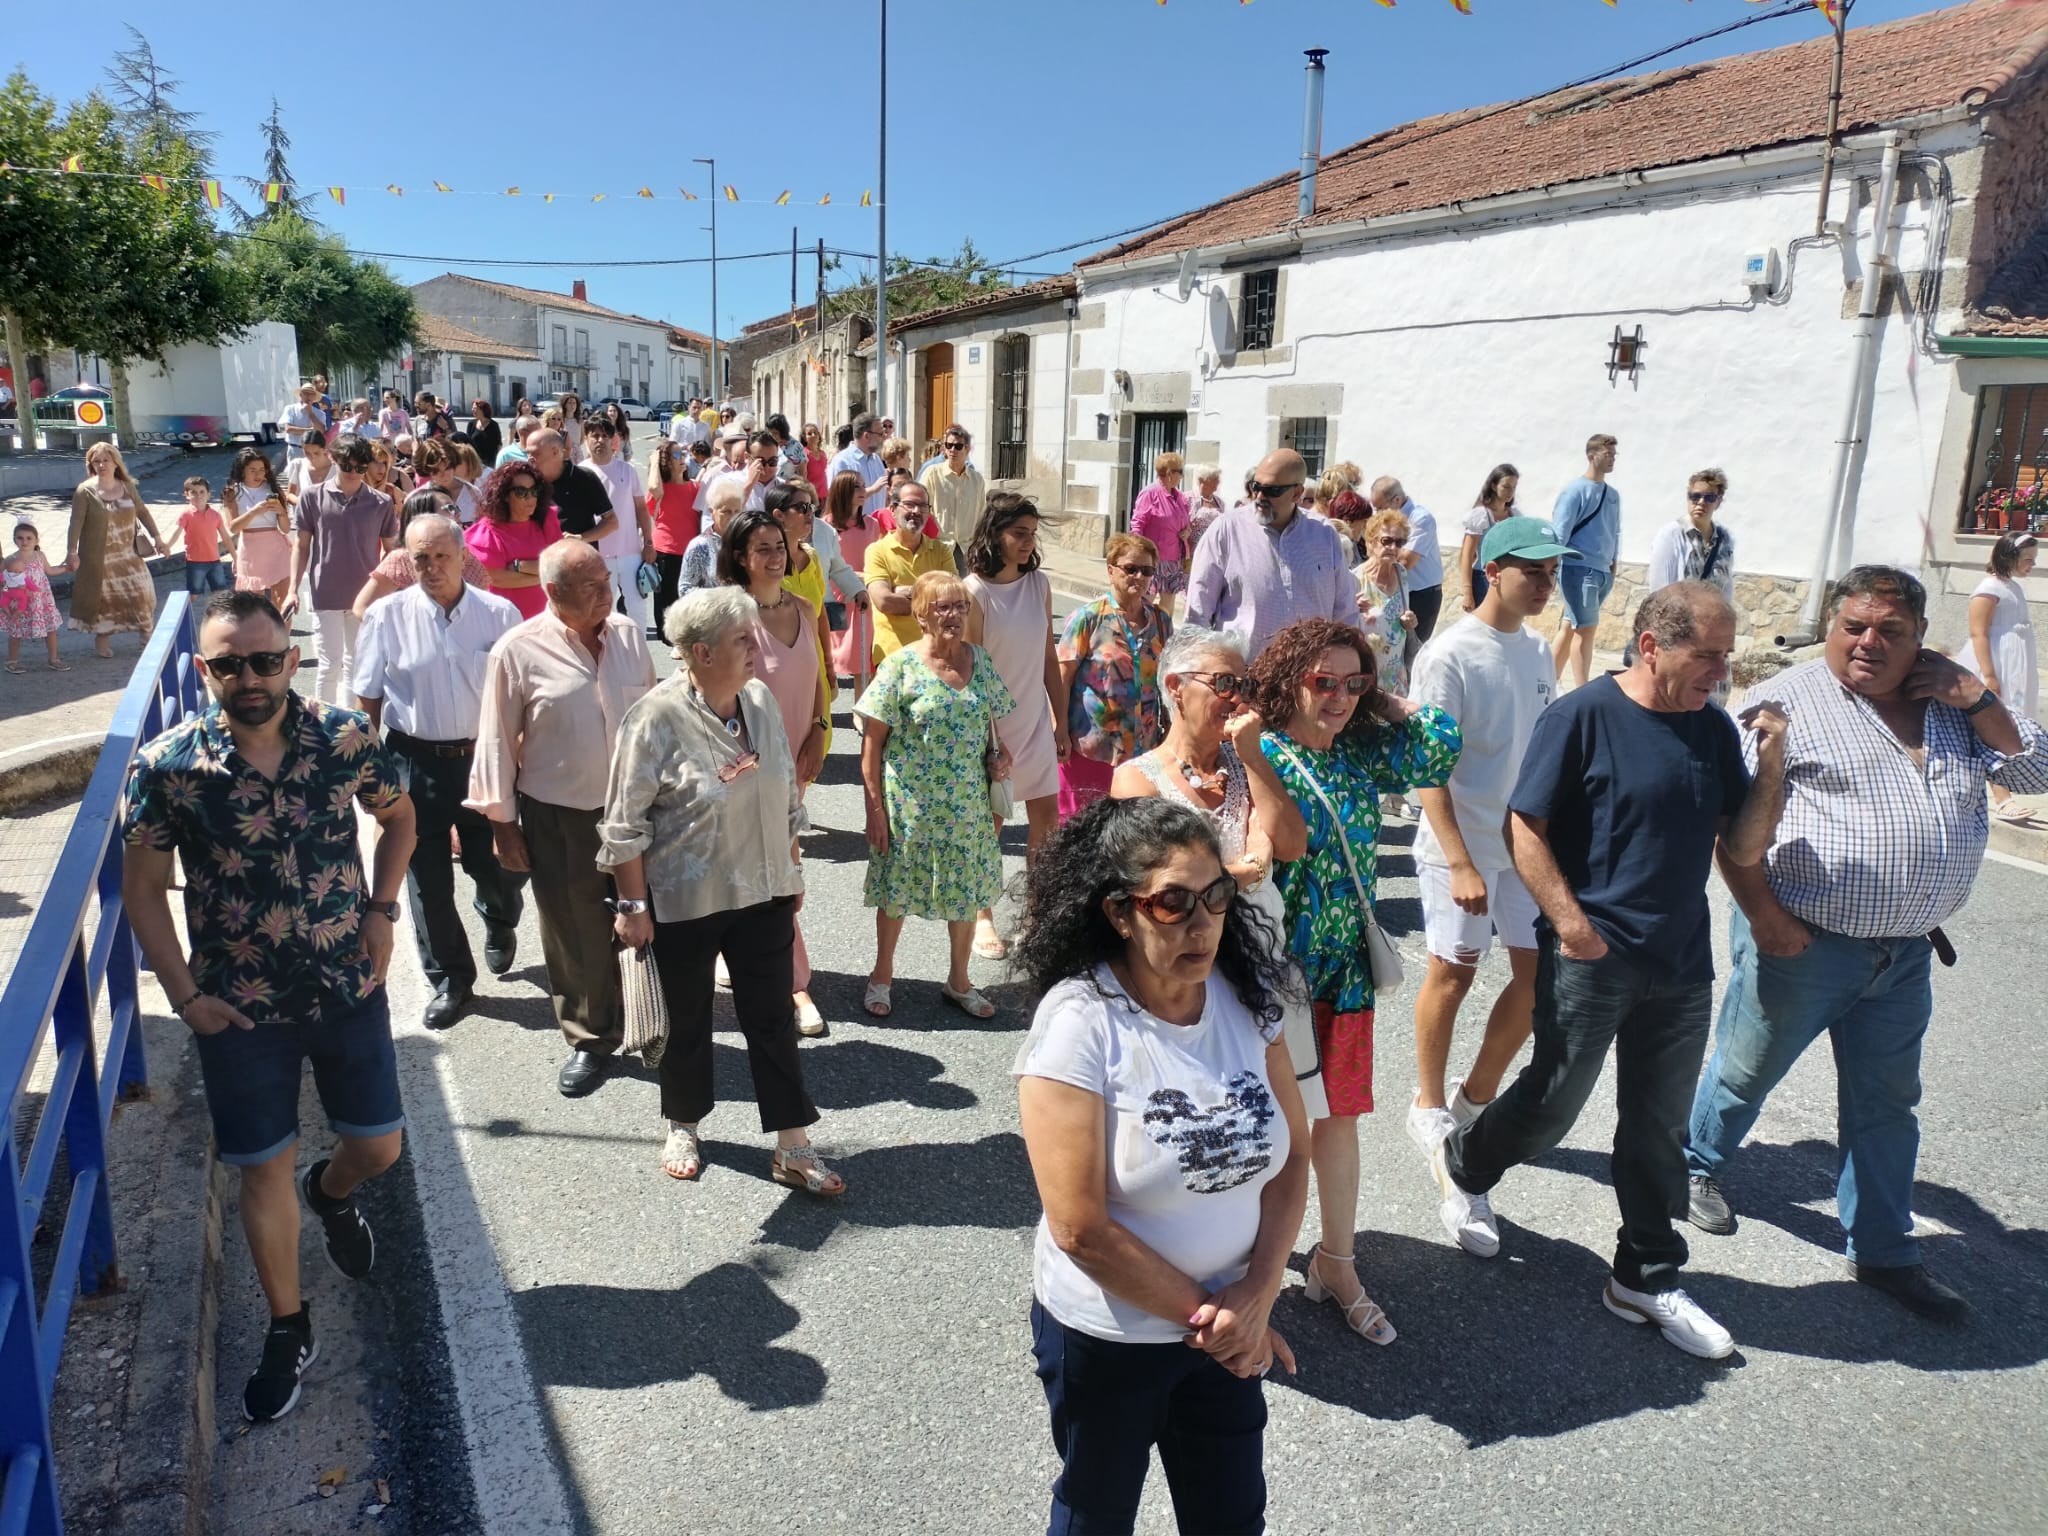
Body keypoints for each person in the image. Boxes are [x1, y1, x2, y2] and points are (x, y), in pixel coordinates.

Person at [1433, 582, 1787, 1360]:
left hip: (1682, 961)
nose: (1720, 674)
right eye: (1708, 656)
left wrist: (1771, 767)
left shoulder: (1709, 730)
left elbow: (1743, 843)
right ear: (1653, 645)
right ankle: (1465, 1159)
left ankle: (1646, 1275)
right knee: (1554, 1102)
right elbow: (1524, 824)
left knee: (1659, 1125)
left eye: (1727, 658)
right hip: (1593, 953)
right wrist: (1570, 926)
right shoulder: (1584, 715)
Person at [1684, 565, 2048, 1323]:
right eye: (1855, 626)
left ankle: (1884, 1250)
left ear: (1921, 638)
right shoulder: (1784, 700)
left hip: (1905, 951)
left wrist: (1976, 698)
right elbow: (1732, 828)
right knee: (1748, 1068)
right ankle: (1697, 1166)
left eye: (1892, 631)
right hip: (1802, 941)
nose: (1869, 644)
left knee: (1887, 1104)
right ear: (1832, 625)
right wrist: (1762, 918)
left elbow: (2034, 767)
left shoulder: (1947, 699)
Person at [122, 589, 417, 1423]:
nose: (248, 677)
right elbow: (142, 890)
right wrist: (185, 1001)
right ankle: (290, 1326)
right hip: (239, 1008)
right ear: (203, 668)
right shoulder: (169, 766)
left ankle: (333, 1193)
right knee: (261, 1168)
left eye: (263, 659)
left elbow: (400, 819)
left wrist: (382, 910)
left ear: (292, 656)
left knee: (379, 1147)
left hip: (345, 986)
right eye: (227, 664)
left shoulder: (346, 738)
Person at [1011, 797, 1311, 1536]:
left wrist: (1260, 1291)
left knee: (1232, 1520)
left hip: (1227, 1325)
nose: (1202, 921)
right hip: (1109, 1340)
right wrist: (1217, 1322)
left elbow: (1295, 1153)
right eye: (1172, 903)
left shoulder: (1248, 1001)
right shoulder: (1079, 1023)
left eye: (1215, 896)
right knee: (1096, 1516)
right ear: (1120, 913)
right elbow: (1079, 1227)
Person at [1251, 618, 1461, 1346]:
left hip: (1343, 976)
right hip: (1272, 978)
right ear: (1288, 681)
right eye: (1323, 682)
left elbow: (1440, 745)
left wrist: (1385, 701)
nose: (1339, 697)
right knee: (1271, 1126)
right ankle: (1249, 1271)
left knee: (1339, 1119)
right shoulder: (1258, 751)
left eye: (1353, 683)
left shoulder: (1358, 753)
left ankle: (1336, 1262)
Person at [600, 587, 845, 1197]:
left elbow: (783, 788)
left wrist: (790, 867)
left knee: (772, 1018)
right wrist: (632, 907)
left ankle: (793, 1144)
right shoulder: (654, 717)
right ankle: (683, 1123)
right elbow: (624, 821)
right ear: (702, 653)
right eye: (743, 639)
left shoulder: (757, 700)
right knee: (686, 1019)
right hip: (685, 898)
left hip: (762, 890)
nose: (756, 649)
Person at [469, 539, 656, 1095]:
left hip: (636, 808)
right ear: (553, 593)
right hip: (560, 814)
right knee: (574, 931)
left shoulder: (626, 635)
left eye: (606, 580)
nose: (608, 592)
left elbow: (653, 716)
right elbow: (497, 742)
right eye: (592, 586)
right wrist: (503, 826)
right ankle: (589, 1036)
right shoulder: (517, 650)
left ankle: (646, 1018)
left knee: (645, 918)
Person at [1405, 518, 1567, 1162]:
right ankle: (1428, 1101)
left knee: (1538, 980)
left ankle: (1475, 1099)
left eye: (1552, 573)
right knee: (1453, 974)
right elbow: (1428, 767)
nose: (1545, 585)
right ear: (1492, 571)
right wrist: (1460, 860)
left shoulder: (1535, 651)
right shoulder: (1449, 653)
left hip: (1524, 849)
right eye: (1534, 571)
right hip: (1461, 849)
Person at [352, 515, 524, 1030]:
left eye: (441, 556)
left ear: (462, 556)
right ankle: (451, 980)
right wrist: (369, 769)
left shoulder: (499, 614)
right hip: (412, 760)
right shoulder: (386, 617)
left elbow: (522, 694)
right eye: (420, 558)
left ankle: (499, 915)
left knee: (498, 868)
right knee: (424, 879)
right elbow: (368, 697)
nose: (431, 568)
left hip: (482, 760)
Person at [858, 570, 1016, 1020]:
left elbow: (995, 733)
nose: (954, 616)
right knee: (897, 889)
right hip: (909, 803)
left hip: (966, 803)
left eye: (961, 607)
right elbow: (871, 747)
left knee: (966, 891)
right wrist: (875, 811)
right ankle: (882, 974)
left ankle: (958, 981)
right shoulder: (900, 666)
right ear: (922, 615)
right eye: (943, 607)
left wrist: (1001, 759)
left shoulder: (980, 661)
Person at [1110, 624, 1308, 921]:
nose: (1237, 699)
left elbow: (1292, 845)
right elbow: (1171, 893)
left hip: (1262, 942)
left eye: (1244, 687)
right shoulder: (1138, 780)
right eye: (1225, 683)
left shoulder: (1247, 760)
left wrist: (1253, 757)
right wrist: (1251, 868)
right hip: (1192, 950)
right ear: (1176, 686)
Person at [722, 505, 831, 1038]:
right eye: (761, 548)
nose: (774, 556)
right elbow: (709, 698)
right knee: (778, 872)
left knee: (776, 870)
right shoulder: (728, 617)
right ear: (740, 558)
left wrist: (818, 730)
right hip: (747, 768)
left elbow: (821, 680)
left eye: (778, 546)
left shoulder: (807, 609)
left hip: (798, 759)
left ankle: (753, 956)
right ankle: (795, 984)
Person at [964, 493, 1070, 958]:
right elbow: (971, 670)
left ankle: (1035, 911)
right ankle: (982, 915)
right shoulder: (975, 592)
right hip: (992, 726)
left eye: (1031, 534)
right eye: (1018, 533)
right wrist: (988, 738)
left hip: (1034, 719)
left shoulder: (1039, 585)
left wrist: (1061, 720)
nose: (1028, 543)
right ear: (995, 534)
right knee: (991, 822)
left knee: (1047, 816)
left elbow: (1049, 655)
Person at [1186, 449, 1359, 657]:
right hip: (1246, 677)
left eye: (1271, 491)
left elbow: (1345, 612)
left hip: (1310, 677)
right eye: (1255, 486)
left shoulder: (1324, 535)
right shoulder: (1226, 531)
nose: (1259, 496)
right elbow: (1198, 612)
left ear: (1297, 493)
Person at [1058, 533, 1174, 820]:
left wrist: (1171, 732)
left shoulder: (1161, 622)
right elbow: (1062, 676)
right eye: (1130, 568)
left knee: (1131, 837)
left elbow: (1169, 681)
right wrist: (1058, 728)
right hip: (1092, 747)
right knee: (1084, 833)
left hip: (1144, 749)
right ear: (1111, 570)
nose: (1139, 576)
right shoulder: (1089, 618)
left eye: (1147, 571)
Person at [285, 436, 398, 706]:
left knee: (355, 663)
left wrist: (390, 591)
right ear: (333, 458)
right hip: (326, 591)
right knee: (329, 663)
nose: (354, 473)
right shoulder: (312, 496)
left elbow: (391, 551)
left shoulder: (381, 502)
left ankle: (346, 723)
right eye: (348, 465)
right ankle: (321, 721)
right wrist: (292, 590)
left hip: (365, 596)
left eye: (361, 468)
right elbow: (301, 546)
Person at [1958, 532, 2039, 822]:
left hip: (2013, 664)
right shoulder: (1988, 588)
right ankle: (2003, 799)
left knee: (2008, 723)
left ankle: (2000, 792)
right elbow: (1978, 632)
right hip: (1994, 663)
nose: (2032, 564)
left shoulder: (2011, 587)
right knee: (1993, 725)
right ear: (2008, 556)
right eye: (2027, 559)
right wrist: (1990, 675)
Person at [65, 441, 165, 659]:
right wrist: (72, 553)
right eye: (96, 461)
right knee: (105, 601)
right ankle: (102, 639)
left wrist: (158, 538)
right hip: (100, 557)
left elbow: (143, 512)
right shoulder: (85, 491)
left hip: (129, 554)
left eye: (106, 460)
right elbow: (76, 523)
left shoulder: (127, 486)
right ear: (91, 464)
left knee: (143, 593)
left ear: (115, 462)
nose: (102, 465)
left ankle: (146, 633)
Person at [1551, 433, 1622, 690]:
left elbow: (1615, 530)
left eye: (1615, 454)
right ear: (1592, 456)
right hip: (1578, 568)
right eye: (1608, 454)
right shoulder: (1574, 490)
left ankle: (1546, 683)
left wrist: (1615, 560)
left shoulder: (1612, 494)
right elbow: (1560, 530)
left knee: (1571, 626)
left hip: (1603, 570)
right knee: (1587, 629)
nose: (1613, 459)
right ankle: (1582, 691)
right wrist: (1554, 565)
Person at [351, 489, 493, 617]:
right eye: (450, 508)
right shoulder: (402, 559)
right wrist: (399, 635)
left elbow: (485, 605)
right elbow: (362, 607)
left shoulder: (465, 557)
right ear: (425, 515)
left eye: (455, 507)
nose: (458, 513)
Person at [863, 479, 957, 665]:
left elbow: (954, 600)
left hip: (936, 657)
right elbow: (884, 602)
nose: (916, 511)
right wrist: (933, 599)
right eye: (909, 505)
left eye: (922, 506)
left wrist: (904, 591)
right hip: (892, 659)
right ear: (892, 509)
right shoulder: (877, 551)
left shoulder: (941, 551)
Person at [582, 417, 656, 637]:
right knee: (603, 609)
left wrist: (649, 543)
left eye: (605, 435)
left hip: (630, 552)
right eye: (595, 435)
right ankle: (607, 655)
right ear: (586, 439)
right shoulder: (581, 472)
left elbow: (642, 509)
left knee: (637, 607)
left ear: (613, 439)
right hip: (597, 556)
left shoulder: (627, 470)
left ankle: (639, 655)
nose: (600, 440)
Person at [466, 462, 562, 621]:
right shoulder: (488, 531)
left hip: (546, 620)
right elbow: (497, 579)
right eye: (521, 492)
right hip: (505, 622)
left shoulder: (546, 521)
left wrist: (519, 566)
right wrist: (546, 578)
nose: (530, 498)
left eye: (534, 491)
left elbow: (559, 567)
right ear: (504, 495)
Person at [1369, 476, 1443, 651]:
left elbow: (1404, 561)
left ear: (1397, 500)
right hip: (1395, 591)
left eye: (1380, 508)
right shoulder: (1387, 521)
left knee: (1413, 651)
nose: (1377, 514)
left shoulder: (1421, 519)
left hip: (1421, 595)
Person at [825, 470, 877, 688]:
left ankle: (862, 719)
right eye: (856, 486)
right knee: (830, 660)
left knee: (864, 662)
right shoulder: (825, 526)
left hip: (864, 599)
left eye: (863, 485)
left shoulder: (872, 524)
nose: (863, 491)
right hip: (835, 598)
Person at [225, 446, 294, 607]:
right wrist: (254, 512)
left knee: (282, 602)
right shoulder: (232, 492)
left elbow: (285, 529)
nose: (258, 474)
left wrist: (282, 512)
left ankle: (283, 633)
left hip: (276, 548)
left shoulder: (273, 489)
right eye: (252, 470)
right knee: (252, 606)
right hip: (250, 550)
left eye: (262, 469)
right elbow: (233, 528)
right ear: (242, 471)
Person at [526, 429, 616, 551]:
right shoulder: (527, 481)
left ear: (555, 452)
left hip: (578, 562)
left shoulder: (584, 478)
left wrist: (581, 538)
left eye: (535, 454)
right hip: (540, 562)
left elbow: (611, 522)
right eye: (527, 453)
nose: (529, 459)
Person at [649, 438, 700, 641]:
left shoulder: (695, 487)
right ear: (666, 461)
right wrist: (654, 461)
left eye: (683, 454)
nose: (683, 459)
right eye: (677, 455)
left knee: (687, 601)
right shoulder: (662, 489)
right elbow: (654, 488)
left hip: (690, 552)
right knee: (666, 604)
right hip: (666, 551)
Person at [3, 519, 70, 674]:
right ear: (14, 540)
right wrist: (7, 595)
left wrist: (66, 569)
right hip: (20, 602)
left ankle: (54, 659)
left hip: (42, 600)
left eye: (28, 538)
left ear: (36, 540)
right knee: (16, 630)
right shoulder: (10, 559)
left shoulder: (40, 556)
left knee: (50, 628)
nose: (24, 541)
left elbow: (50, 571)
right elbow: (3, 579)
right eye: (20, 538)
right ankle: (12, 661)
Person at [1131, 452, 1193, 609]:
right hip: (1153, 560)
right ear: (1170, 473)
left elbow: (1186, 524)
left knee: (1167, 609)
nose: (1182, 477)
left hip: (1173, 560)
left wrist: (1187, 531)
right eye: (1181, 472)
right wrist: (1141, 554)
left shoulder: (1180, 497)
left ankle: (1163, 633)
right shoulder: (1150, 493)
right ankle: (1143, 633)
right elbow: (1137, 524)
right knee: (1145, 604)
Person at [1457, 463, 1520, 613]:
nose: (1510, 492)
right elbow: (1467, 555)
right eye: (1506, 486)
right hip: (1483, 578)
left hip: (1506, 578)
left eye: (1513, 487)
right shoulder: (1481, 515)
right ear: (1493, 485)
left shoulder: (1514, 515)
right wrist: (1467, 592)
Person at [920, 424, 986, 550]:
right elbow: (922, 507)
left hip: (966, 547)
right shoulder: (932, 473)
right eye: (949, 445)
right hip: (938, 546)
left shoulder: (977, 480)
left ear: (966, 449)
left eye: (958, 446)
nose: (952, 450)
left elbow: (981, 514)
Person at [680, 475, 743, 603]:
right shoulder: (699, 545)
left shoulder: (748, 542)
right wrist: (717, 597)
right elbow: (685, 589)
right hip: (711, 617)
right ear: (712, 512)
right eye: (726, 511)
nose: (733, 517)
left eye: (737, 511)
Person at [176, 474, 233, 596]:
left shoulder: (215, 515)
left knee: (221, 594)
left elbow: (226, 538)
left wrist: (236, 557)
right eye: (194, 492)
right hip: (195, 562)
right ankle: (188, 614)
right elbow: (177, 532)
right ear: (186, 495)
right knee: (193, 594)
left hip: (215, 561)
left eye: (202, 492)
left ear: (209, 494)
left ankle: (219, 614)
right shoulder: (186, 515)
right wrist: (166, 546)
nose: (198, 496)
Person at [829, 411, 890, 520]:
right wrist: (872, 489)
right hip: (851, 530)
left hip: (877, 530)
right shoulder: (842, 461)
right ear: (866, 436)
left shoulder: (877, 460)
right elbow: (838, 499)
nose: (883, 438)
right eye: (880, 434)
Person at [412, 439, 479, 525]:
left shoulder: (474, 494)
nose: (443, 475)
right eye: (436, 471)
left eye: (447, 468)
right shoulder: (417, 499)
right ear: (427, 471)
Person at [1186, 463, 1227, 555]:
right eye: (1214, 478)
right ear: (1202, 480)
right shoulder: (1187, 498)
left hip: (1214, 550)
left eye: (1218, 478)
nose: (1218, 481)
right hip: (1194, 551)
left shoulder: (1219, 502)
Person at [279, 383, 323, 460]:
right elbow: (289, 429)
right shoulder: (290, 409)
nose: (308, 396)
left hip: (312, 451)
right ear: (301, 395)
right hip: (295, 449)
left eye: (311, 394)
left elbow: (321, 431)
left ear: (314, 397)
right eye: (306, 393)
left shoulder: (320, 414)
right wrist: (311, 431)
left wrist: (310, 412)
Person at [464, 400, 502, 466]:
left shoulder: (494, 425)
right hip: (475, 461)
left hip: (490, 462)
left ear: (483, 410)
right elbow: (468, 443)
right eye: (472, 408)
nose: (472, 410)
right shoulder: (471, 424)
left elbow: (498, 444)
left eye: (475, 408)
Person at [800, 422, 830, 498]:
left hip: (824, 495)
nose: (813, 435)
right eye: (809, 434)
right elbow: (803, 477)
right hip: (811, 497)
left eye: (815, 433)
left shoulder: (823, 453)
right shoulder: (804, 453)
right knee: (812, 510)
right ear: (804, 437)